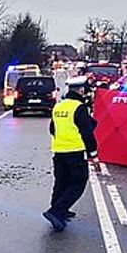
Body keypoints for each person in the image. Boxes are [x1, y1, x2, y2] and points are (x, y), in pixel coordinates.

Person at [44, 76, 99, 231]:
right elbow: (87, 132)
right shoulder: (79, 108)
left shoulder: (59, 106)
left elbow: (52, 129)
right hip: (75, 152)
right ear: (81, 90)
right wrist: (93, 154)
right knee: (78, 183)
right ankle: (56, 212)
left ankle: (58, 209)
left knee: (61, 182)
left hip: (59, 151)